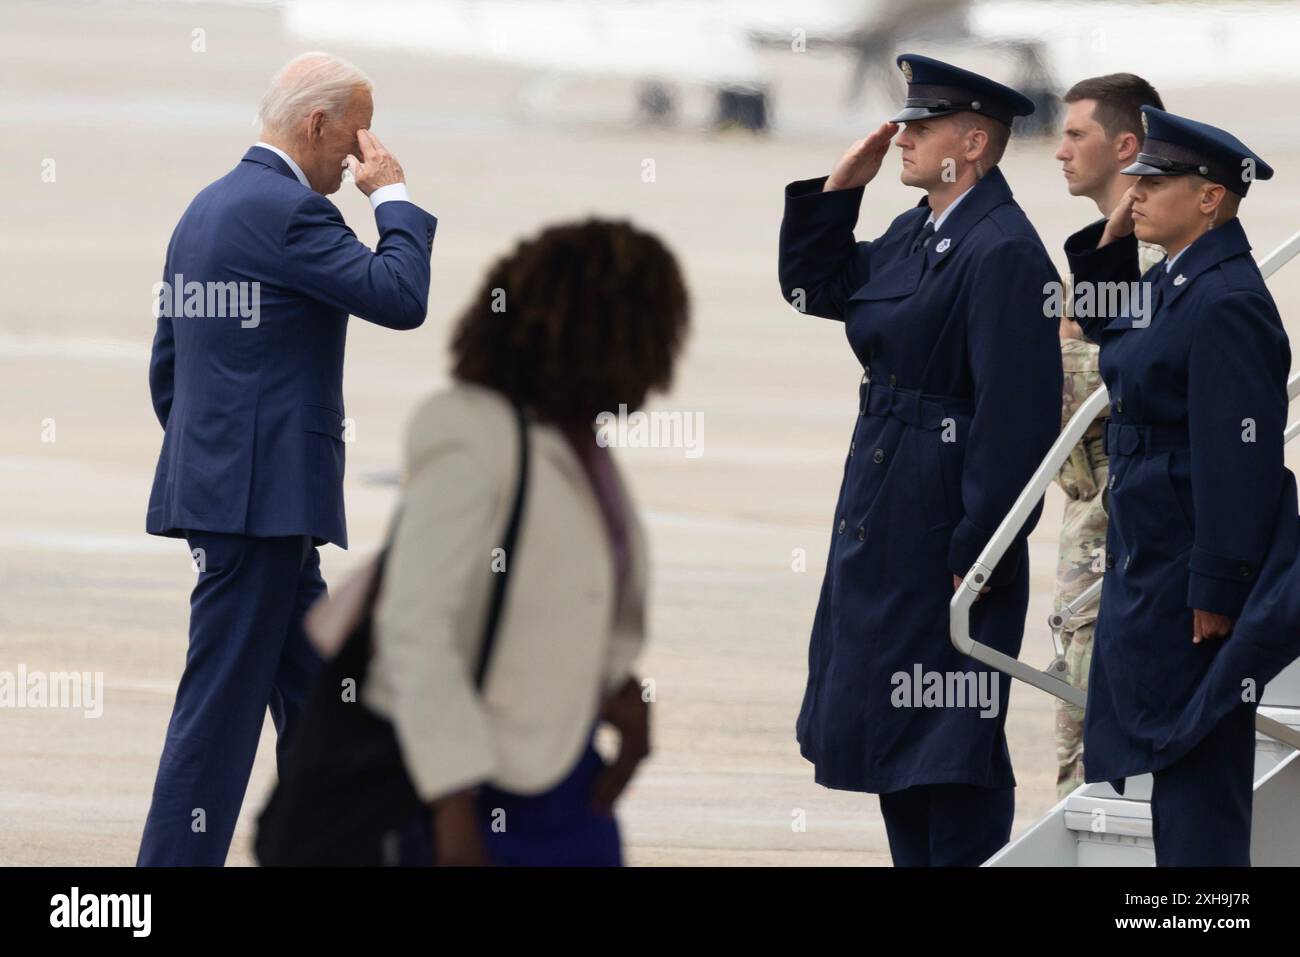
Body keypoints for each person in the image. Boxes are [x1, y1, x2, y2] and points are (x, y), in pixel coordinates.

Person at [138, 52, 438, 866]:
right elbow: (400, 297)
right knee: (217, 720)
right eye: (356, 131)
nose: (362, 152)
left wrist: (216, 471)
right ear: (316, 124)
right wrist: (394, 198)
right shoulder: (289, 214)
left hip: (246, 504)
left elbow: (171, 371)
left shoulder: (204, 210)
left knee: (322, 706)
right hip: (260, 508)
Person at [777, 54, 1062, 866]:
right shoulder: (924, 226)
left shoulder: (1003, 249)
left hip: (942, 528)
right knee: (893, 735)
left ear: (972, 142)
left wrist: (979, 552)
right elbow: (817, 290)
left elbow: (1015, 421)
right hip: (886, 503)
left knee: (952, 741)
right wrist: (841, 190)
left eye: (922, 125)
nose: (901, 135)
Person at [362, 219, 689, 865]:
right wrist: (453, 810)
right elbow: (414, 626)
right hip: (469, 795)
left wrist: (615, 688)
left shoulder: (580, 447)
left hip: (565, 786)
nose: (660, 370)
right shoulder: (473, 437)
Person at [1064, 106, 1291, 865]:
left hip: (1189, 573)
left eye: (1157, 181)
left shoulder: (1226, 301)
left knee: (1199, 762)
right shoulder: (1179, 280)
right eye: (1138, 178)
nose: (1137, 193)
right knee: (1173, 757)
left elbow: (1239, 458)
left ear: (1210, 198)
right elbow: (1113, 335)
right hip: (1153, 556)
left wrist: (1219, 585)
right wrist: (1114, 237)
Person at [1050, 73, 1165, 799]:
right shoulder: (1101, 253)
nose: (1059, 152)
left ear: (1125, 145)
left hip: (1117, 539)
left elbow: (1110, 396)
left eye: (1075, 135)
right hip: (1088, 536)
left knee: (1094, 775)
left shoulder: (1150, 259)